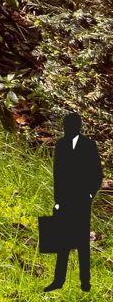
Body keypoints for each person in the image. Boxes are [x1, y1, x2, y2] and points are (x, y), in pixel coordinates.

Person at [50, 111, 103, 291]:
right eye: (65, 126)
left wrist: (89, 195)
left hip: (81, 201)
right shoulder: (61, 145)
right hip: (64, 200)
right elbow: (58, 174)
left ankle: (85, 282)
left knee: (82, 242)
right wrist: (57, 200)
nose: (67, 129)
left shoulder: (89, 146)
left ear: (77, 127)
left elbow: (97, 174)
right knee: (62, 242)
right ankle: (58, 281)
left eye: (70, 126)